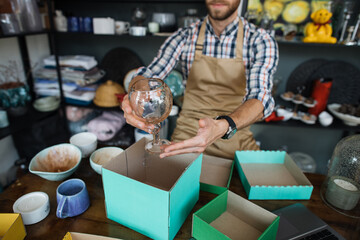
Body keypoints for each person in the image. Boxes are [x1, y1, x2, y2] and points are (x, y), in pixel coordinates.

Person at [121, 0, 279, 159]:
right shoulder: (185, 36)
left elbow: (261, 98)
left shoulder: (259, 40)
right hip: (188, 135)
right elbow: (149, 74)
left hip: (236, 135)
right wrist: (134, 94)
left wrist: (223, 126)